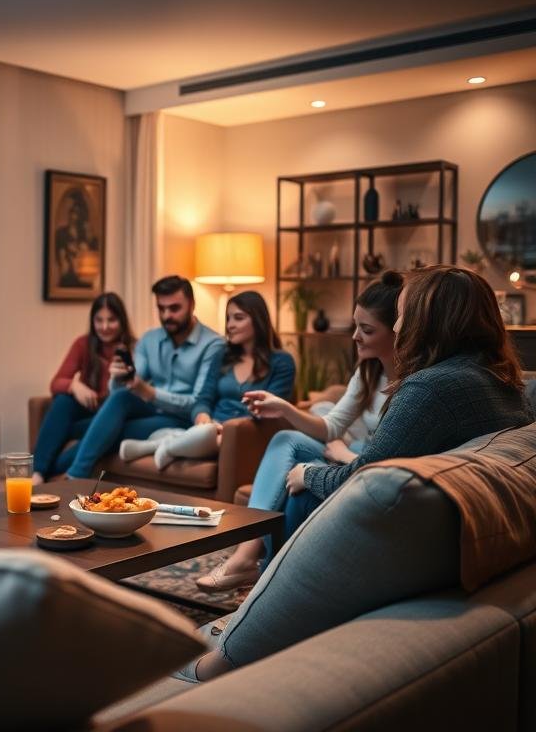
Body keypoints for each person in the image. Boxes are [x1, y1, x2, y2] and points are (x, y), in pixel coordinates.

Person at [191, 265, 534, 684]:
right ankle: (258, 590)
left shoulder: (431, 389)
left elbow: (364, 476)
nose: (400, 323)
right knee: (292, 452)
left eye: (404, 314)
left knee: (300, 489)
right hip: (444, 527)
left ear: (428, 321)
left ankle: (265, 626)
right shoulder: (500, 380)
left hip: (407, 530)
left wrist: (310, 475)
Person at [195, 271, 403, 593]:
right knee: (285, 438)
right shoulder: (367, 374)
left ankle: (263, 575)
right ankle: (248, 552)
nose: (355, 337)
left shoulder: (416, 384)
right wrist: (285, 409)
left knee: (304, 484)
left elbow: (396, 453)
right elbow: (331, 426)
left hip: (374, 465)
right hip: (356, 457)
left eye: (367, 329)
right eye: (355, 326)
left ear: (397, 331)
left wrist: (346, 454)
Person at [62, 275, 224, 480]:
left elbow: (198, 403)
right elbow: (123, 390)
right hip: (148, 408)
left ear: (192, 305)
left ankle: (70, 476)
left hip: (180, 417)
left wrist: (149, 392)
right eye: (161, 308)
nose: (167, 315)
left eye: (174, 308)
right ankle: (67, 474)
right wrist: (117, 377)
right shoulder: (150, 339)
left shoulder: (213, 344)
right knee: (118, 399)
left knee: (98, 431)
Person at [117, 291, 295, 469]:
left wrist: (230, 428)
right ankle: (175, 441)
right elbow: (203, 399)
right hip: (211, 426)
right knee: (185, 431)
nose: (230, 325)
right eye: (228, 318)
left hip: (244, 432)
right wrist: (203, 417)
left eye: (238, 318)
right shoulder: (223, 355)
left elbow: (272, 412)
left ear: (258, 320)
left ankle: (166, 446)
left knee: (211, 437)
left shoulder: (282, 362)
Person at [31, 293, 136, 485]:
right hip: (87, 410)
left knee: (71, 429)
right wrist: (74, 385)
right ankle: (37, 474)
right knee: (63, 400)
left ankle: (42, 473)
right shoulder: (83, 344)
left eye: (111, 320)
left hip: (111, 419)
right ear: (92, 321)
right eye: (99, 320)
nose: (104, 327)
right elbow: (56, 383)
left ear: (121, 320)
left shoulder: (134, 348)